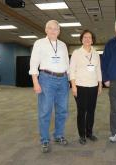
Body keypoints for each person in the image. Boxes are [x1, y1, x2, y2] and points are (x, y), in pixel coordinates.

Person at [29, 20, 70, 153]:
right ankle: (45, 140)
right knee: (45, 111)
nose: (53, 31)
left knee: (62, 110)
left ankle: (58, 135)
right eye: (50, 28)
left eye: (56, 29)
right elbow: (34, 63)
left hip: (63, 79)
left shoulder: (63, 45)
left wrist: (68, 79)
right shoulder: (39, 43)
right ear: (46, 30)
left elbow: (66, 64)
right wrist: (35, 81)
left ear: (59, 31)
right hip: (46, 79)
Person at [70, 30, 102, 145]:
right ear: (81, 39)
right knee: (81, 111)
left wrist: (100, 85)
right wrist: (73, 86)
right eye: (85, 37)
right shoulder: (76, 53)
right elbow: (72, 70)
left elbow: (98, 69)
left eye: (89, 37)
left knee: (91, 111)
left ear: (92, 40)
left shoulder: (96, 53)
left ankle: (89, 133)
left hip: (93, 86)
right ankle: (82, 135)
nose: (87, 39)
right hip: (80, 86)